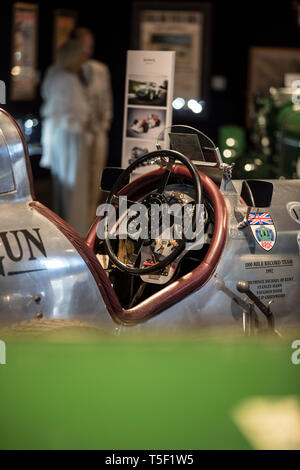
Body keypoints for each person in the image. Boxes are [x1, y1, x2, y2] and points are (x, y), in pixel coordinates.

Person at [40, 39, 92, 236]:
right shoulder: (63, 78)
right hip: (68, 137)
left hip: (71, 136)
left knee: (72, 187)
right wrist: (80, 123)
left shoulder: (66, 77)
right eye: (81, 54)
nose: (83, 59)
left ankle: (72, 229)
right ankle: (73, 231)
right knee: (71, 187)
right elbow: (59, 112)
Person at [70, 27, 113, 222]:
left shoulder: (100, 70)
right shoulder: (65, 71)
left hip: (97, 133)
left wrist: (103, 125)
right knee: (77, 183)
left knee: (96, 180)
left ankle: (88, 226)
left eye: (89, 46)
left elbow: (107, 100)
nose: (86, 51)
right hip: (76, 136)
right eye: (83, 46)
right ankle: (73, 224)